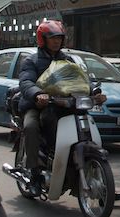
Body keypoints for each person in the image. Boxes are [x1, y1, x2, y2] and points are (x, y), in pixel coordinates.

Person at [18, 19, 105, 195]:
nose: (56, 41)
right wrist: (37, 94)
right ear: (43, 39)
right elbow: (25, 81)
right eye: (52, 37)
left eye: (59, 37)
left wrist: (94, 91)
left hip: (65, 105)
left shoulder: (68, 60)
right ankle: (34, 174)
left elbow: (82, 80)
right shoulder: (32, 61)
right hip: (38, 105)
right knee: (31, 127)